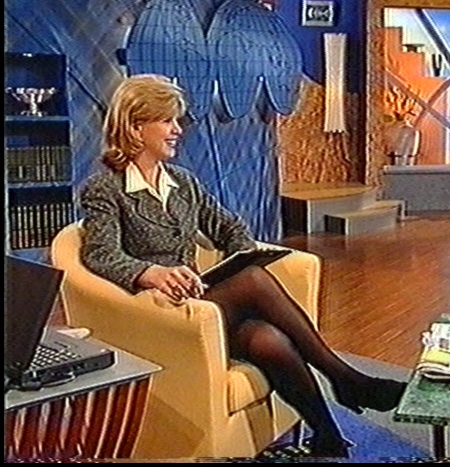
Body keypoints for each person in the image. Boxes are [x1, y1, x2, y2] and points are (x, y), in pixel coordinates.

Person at [78, 74, 406, 458]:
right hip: (158, 314)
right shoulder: (105, 188)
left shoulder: (182, 182)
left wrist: (239, 256)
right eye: (167, 121)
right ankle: (343, 377)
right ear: (135, 127)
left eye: (177, 120)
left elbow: (230, 228)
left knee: (267, 338)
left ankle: (327, 435)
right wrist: (152, 273)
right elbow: (100, 254)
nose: (178, 130)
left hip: (200, 307)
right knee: (252, 280)